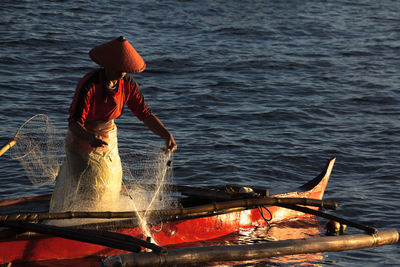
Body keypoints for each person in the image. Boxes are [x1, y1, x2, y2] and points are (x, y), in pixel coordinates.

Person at [50, 36, 177, 212]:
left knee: (109, 183)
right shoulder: (90, 85)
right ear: (107, 65)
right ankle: (78, 222)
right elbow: (74, 124)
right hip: (81, 142)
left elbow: (145, 114)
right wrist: (89, 137)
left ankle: (102, 220)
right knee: (86, 187)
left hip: (108, 140)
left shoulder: (128, 85)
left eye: (125, 70)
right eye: (119, 69)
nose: (122, 73)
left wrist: (166, 135)